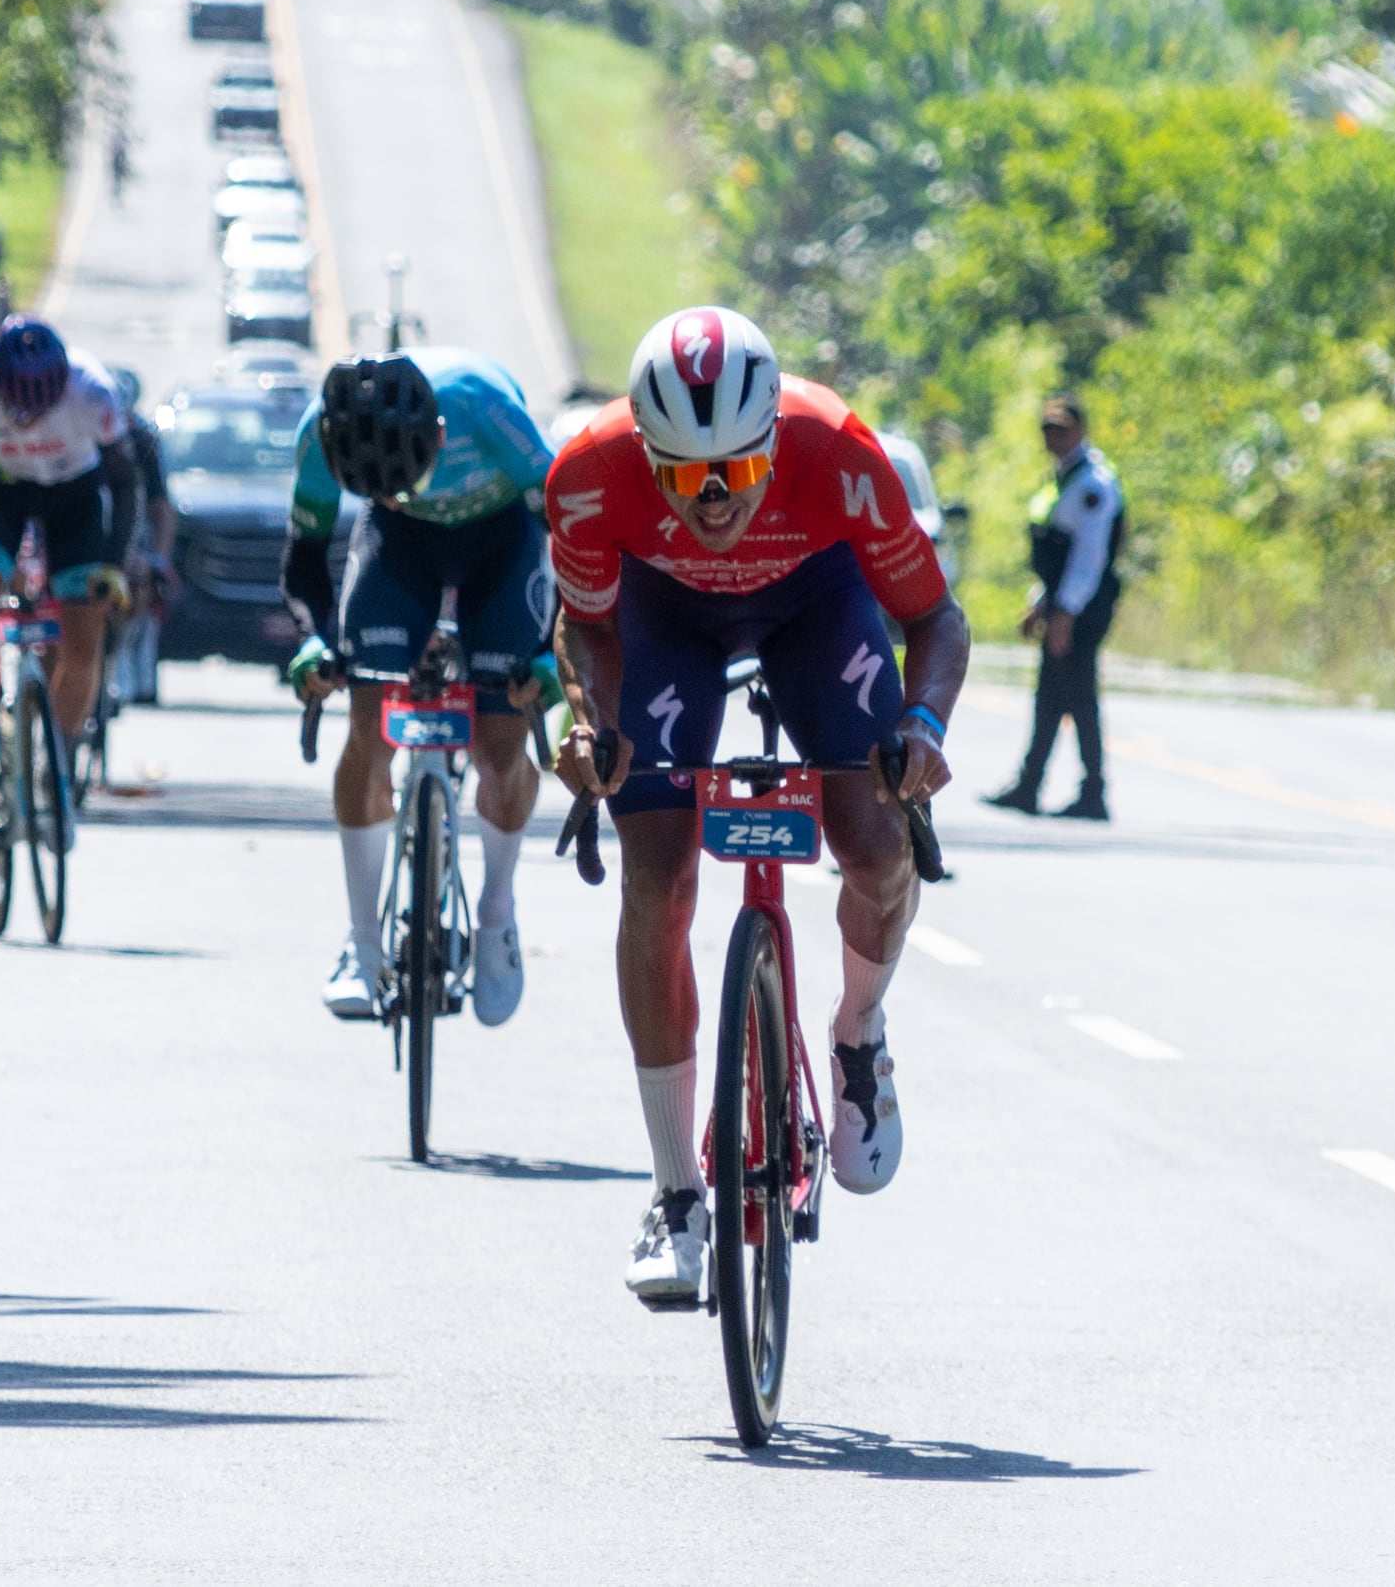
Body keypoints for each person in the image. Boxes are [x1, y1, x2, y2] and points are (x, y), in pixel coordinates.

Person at [546, 306, 968, 1308]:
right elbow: (587, 628)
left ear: (772, 439)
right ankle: (674, 1194)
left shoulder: (838, 452)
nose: (712, 502)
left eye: (734, 471)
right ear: (644, 453)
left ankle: (858, 1032)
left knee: (871, 840)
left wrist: (924, 729)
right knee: (654, 875)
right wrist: (591, 724)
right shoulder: (586, 474)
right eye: (683, 475)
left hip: (813, 601)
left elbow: (933, 620)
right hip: (665, 616)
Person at [282, 350, 558, 1029]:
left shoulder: (488, 410)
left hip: (503, 542)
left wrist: (553, 653)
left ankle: (496, 912)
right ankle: (363, 944)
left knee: (501, 742)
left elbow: (571, 537)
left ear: (438, 435)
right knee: (369, 722)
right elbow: (307, 558)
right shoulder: (321, 435)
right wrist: (317, 641)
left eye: (408, 478)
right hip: (399, 549)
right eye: (380, 487)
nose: (404, 493)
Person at [0, 316, 141, 832]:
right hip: (1, 494)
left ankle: (60, 773)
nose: (26, 420)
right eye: (13, 406)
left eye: (38, 408)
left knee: (84, 636)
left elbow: (125, 486)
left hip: (76, 499)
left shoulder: (94, 393)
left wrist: (113, 565)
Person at [983, 391, 1124, 821]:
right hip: (1066, 600)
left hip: (1084, 607)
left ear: (1080, 430)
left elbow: (1088, 558)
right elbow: (1058, 557)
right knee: (1054, 695)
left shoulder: (1092, 485)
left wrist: (1064, 613)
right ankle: (1034, 785)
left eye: (1061, 428)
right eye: (1047, 427)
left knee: (1075, 695)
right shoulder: (1064, 477)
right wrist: (1041, 603)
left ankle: (1089, 791)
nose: (1053, 436)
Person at [110, 366, 178, 707]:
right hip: (90, 524)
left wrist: (159, 559)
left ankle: (136, 668)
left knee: (141, 587)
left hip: (133, 530)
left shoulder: (142, 439)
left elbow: (160, 505)